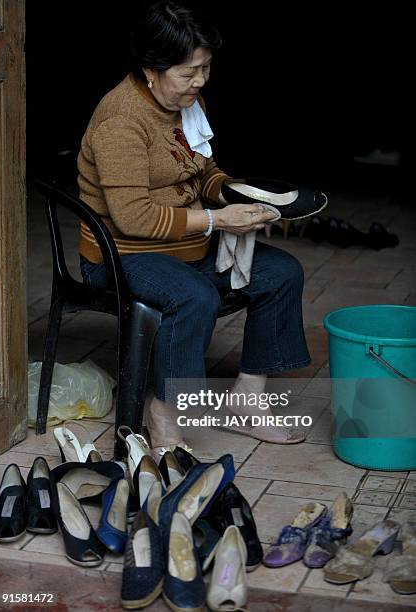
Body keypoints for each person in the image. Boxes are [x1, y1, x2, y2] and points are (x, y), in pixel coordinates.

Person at [77, 0, 311, 458]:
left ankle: (247, 398)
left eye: (205, 68)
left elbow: (202, 171)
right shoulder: (121, 120)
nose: (200, 81)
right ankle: (162, 414)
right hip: (124, 255)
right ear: (151, 68)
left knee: (281, 272)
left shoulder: (185, 102)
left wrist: (237, 198)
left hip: (187, 244)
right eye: (188, 72)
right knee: (194, 297)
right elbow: (133, 217)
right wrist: (218, 220)